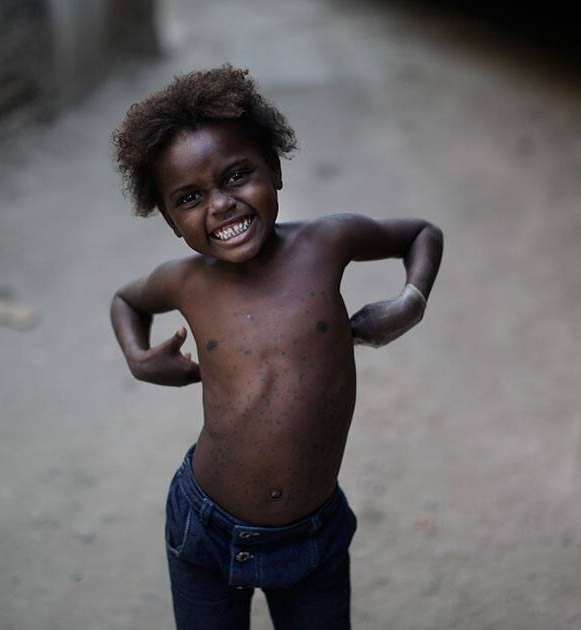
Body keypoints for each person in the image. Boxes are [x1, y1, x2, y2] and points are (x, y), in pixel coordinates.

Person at [110, 65, 443, 630]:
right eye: (190, 198)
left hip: (312, 537)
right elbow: (125, 301)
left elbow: (421, 235)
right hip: (205, 530)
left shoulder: (326, 242)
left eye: (238, 175)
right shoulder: (184, 281)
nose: (220, 205)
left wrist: (410, 300)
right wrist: (141, 360)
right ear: (170, 219)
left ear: (276, 169)